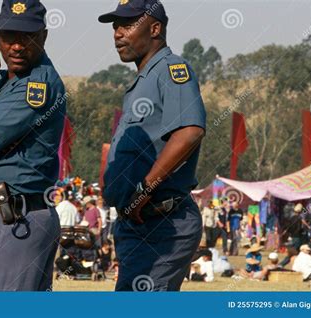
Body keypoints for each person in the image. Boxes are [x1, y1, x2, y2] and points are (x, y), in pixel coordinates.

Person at [99, 0, 206, 291]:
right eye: (115, 26)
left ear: (155, 28)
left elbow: (190, 131)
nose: (118, 33)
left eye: (128, 24)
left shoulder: (172, 69)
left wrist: (144, 188)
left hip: (162, 222)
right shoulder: (143, 80)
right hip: (139, 225)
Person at [0, 0, 66, 291]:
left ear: (43, 36)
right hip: (4, 220)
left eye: (26, 36)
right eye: (9, 36)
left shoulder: (36, 85)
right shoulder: (10, 81)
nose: (16, 46)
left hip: (12, 220)